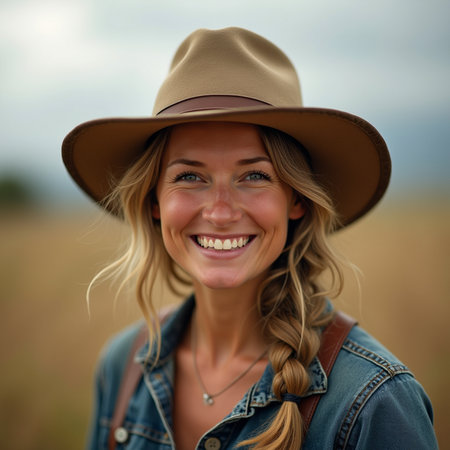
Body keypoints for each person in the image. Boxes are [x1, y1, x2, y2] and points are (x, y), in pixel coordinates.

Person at [62, 27, 437, 449]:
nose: (220, 212)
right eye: (189, 176)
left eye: (255, 176)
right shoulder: (121, 368)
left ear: (295, 199)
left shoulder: (373, 402)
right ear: (154, 201)